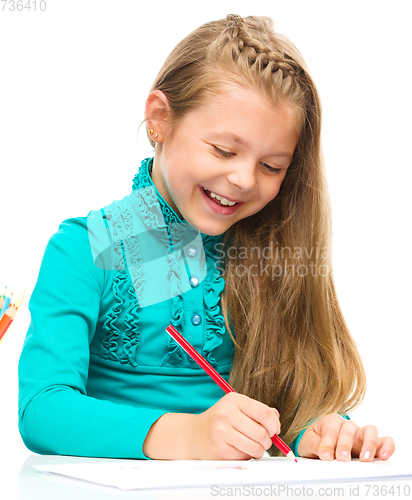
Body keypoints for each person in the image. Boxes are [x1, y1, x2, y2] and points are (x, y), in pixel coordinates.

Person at [18, 14, 395, 462]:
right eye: (223, 150)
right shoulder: (85, 248)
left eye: (272, 166)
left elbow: (284, 404)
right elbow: (43, 410)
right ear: (159, 119)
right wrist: (189, 436)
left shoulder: (268, 255)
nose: (242, 178)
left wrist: (316, 431)